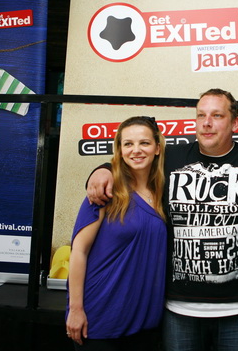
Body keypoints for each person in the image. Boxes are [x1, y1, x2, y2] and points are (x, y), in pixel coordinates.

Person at [86, 89, 238, 351]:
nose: (207, 123)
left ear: (235, 123)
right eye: (201, 115)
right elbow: (132, 163)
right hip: (179, 310)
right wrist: (102, 170)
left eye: (217, 115)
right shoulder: (171, 158)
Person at [66, 116, 167, 351]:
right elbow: (79, 251)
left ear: (157, 148)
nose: (136, 150)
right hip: (100, 314)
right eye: (128, 144)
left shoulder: (164, 193)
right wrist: (75, 308)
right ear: (120, 150)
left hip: (144, 319)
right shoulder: (104, 192)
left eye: (144, 143)